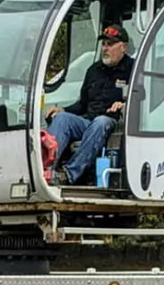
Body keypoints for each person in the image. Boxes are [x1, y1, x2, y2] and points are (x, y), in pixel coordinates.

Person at [45, 25, 135, 186]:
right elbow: (83, 104)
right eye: (104, 44)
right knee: (62, 119)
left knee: (101, 121)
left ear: (123, 47)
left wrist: (125, 104)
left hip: (114, 123)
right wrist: (63, 109)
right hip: (88, 121)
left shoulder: (133, 69)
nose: (105, 48)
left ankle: (69, 173)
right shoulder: (93, 70)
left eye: (110, 44)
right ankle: (46, 170)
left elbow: (143, 98)